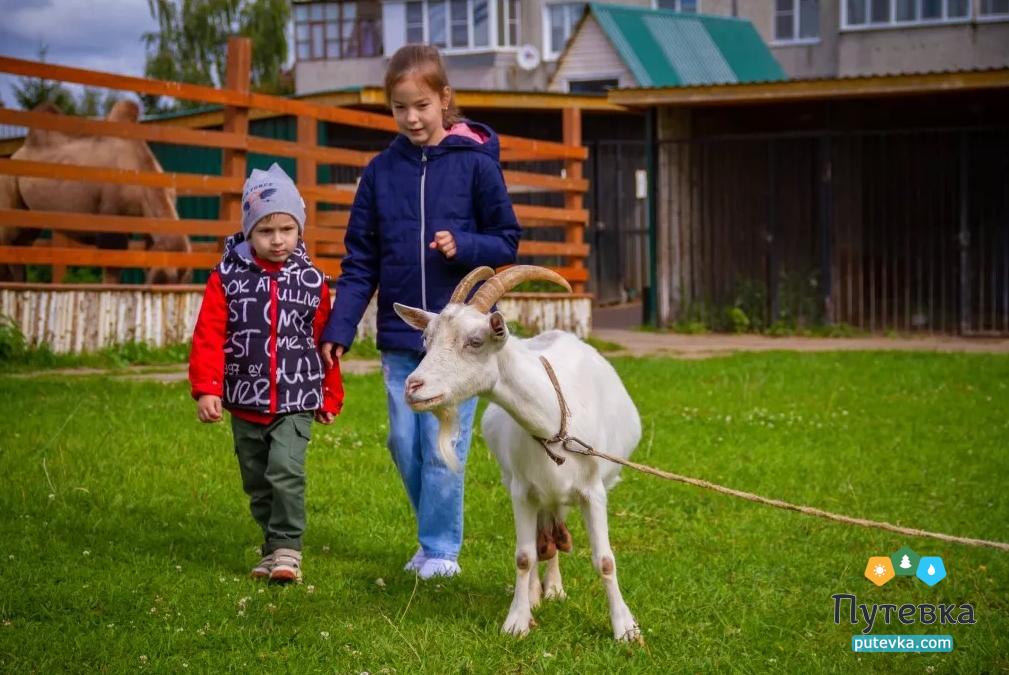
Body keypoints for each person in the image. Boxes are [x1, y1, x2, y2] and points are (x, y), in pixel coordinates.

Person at [320, 45, 520, 580]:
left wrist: (465, 245)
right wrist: (341, 327)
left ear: (445, 99)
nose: (411, 117)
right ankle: (432, 535)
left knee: (442, 444)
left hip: (461, 342)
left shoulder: (477, 165)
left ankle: (438, 551)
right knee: (404, 441)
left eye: (422, 105)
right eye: (399, 107)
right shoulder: (380, 173)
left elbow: (507, 241)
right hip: (401, 334)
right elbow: (360, 260)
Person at [189, 163, 343, 584]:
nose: (277, 240)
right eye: (265, 231)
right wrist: (206, 389)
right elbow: (208, 334)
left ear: (299, 230)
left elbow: (324, 343)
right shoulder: (226, 279)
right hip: (244, 399)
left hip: (295, 398)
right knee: (257, 481)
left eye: (287, 230)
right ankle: (272, 546)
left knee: (285, 470)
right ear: (249, 232)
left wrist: (329, 395)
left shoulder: (311, 281)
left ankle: (288, 548)